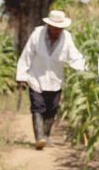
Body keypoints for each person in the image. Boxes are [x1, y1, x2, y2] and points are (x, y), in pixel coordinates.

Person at [16, 10, 87, 150]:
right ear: (49, 26)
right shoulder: (37, 35)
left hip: (55, 80)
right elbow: (27, 54)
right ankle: (39, 137)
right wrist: (21, 75)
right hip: (36, 78)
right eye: (55, 28)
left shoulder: (67, 38)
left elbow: (74, 56)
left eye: (60, 28)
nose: (58, 30)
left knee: (52, 109)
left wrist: (84, 69)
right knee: (38, 107)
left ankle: (46, 136)